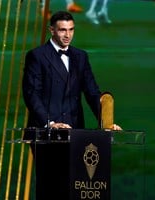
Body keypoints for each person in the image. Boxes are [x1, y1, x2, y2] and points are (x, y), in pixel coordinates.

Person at [22, 11, 121, 199]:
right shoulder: (37, 56)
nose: (67, 35)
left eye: (71, 30)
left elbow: (92, 92)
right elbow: (31, 94)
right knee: (50, 187)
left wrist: (106, 122)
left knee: (75, 188)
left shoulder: (80, 57)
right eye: (62, 30)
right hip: (46, 135)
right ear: (52, 30)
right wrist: (50, 123)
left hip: (76, 135)